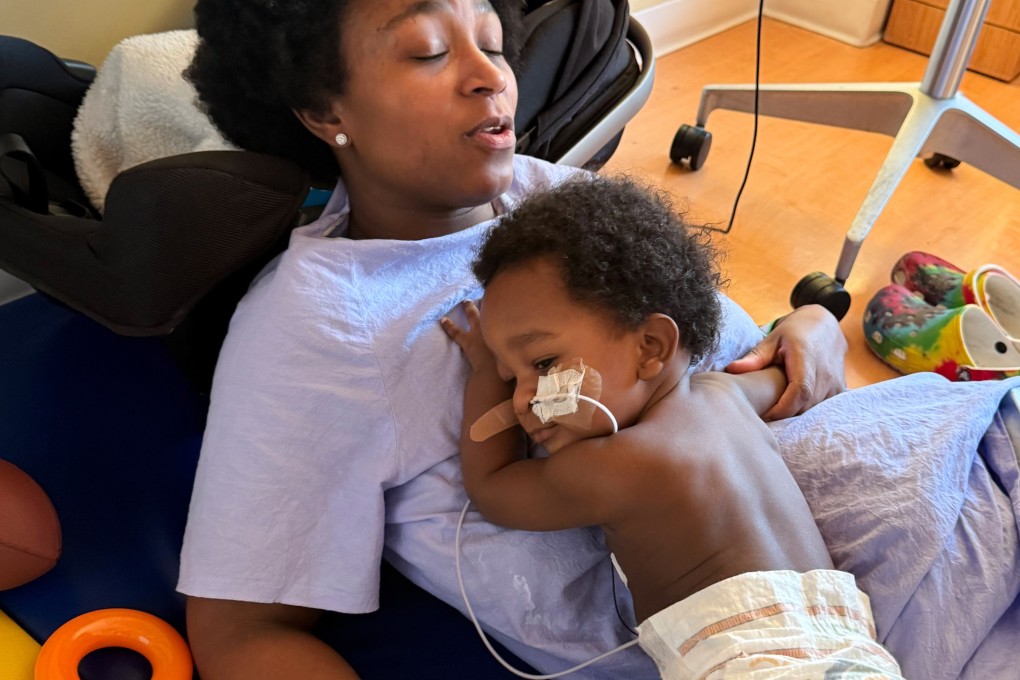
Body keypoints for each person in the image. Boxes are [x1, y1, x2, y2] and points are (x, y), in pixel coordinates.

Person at [176, 1, 849, 678]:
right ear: (326, 111)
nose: (488, 76)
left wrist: (805, 331)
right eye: (430, 51)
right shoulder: (321, 329)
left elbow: (715, 364)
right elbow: (239, 629)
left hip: (860, 567)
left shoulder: (558, 203)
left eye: (494, 46)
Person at [440, 174, 904, 678]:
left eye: (543, 363)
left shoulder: (617, 465)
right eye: (510, 379)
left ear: (651, 347)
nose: (524, 401)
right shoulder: (724, 394)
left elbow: (491, 488)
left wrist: (485, 372)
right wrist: (806, 319)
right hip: (853, 648)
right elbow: (799, 383)